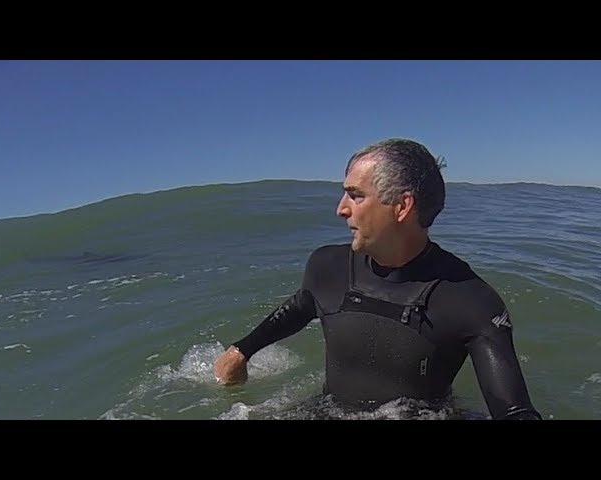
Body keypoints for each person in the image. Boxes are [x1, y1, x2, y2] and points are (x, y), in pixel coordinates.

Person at [214, 138, 541, 420]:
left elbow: (514, 411)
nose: (341, 209)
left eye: (355, 195)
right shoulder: (328, 265)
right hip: (327, 409)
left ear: (401, 206)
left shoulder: (470, 300)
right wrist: (241, 351)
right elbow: (303, 305)